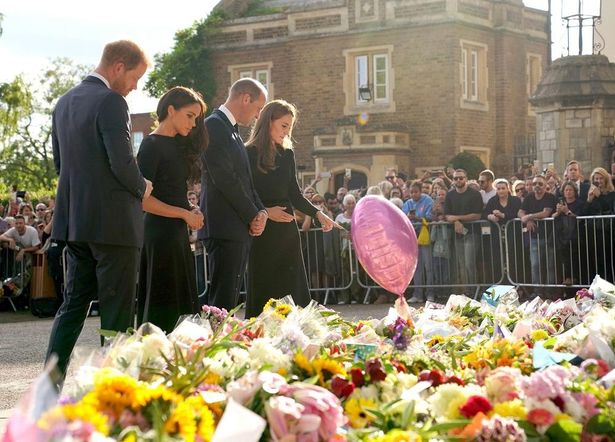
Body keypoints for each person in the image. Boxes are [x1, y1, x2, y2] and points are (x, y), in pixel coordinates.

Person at [45, 40, 152, 384]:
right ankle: (117, 389)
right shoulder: (111, 101)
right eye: (135, 78)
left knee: (73, 307)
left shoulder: (63, 103)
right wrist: (143, 187)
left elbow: (61, 165)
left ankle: (49, 386)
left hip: (76, 224)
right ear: (119, 66)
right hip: (114, 226)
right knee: (118, 311)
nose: (135, 87)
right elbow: (121, 162)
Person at [244, 100, 337, 317]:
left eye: (290, 127)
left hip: (287, 233)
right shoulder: (248, 153)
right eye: (284, 125)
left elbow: (294, 194)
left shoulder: (287, 154)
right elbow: (246, 192)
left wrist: (317, 213)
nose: (287, 132)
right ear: (268, 122)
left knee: (292, 287)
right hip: (262, 229)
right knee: (264, 287)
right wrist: (266, 211)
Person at [136, 87, 207, 333]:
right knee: (163, 298)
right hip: (159, 233)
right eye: (189, 116)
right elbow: (144, 201)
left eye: (196, 118)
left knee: (182, 298)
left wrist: (191, 210)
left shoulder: (178, 146)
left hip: (176, 231)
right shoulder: (151, 145)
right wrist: (184, 214)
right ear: (170, 110)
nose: (194, 123)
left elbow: (173, 193)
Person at [198, 78, 268, 312]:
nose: (258, 115)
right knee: (221, 301)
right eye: (258, 108)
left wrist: (261, 211)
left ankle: (220, 344)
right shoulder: (213, 126)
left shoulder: (233, 131)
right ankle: (211, 346)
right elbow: (225, 178)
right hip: (223, 226)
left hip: (236, 226)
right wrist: (252, 214)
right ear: (245, 98)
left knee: (228, 300)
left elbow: (246, 180)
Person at [444, 169, 483, 289]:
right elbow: (447, 215)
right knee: (462, 264)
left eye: (461, 178)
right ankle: (467, 290)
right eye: (455, 178)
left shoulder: (475, 194)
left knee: (469, 263)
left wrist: (458, 219)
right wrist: (456, 222)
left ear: (466, 179)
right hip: (457, 234)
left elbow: (477, 215)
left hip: (472, 233)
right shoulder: (450, 195)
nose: (458, 180)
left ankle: (474, 290)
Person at [518, 175, 557, 289]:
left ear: (545, 186)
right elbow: (520, 212)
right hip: (534, 237)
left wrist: (529, 216)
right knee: (535, 265)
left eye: (540, 184)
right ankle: (537, 291)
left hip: (550, 237)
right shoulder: (529, 197)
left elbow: (545, 213)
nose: (537, 186)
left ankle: (551, 290)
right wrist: (527, 220)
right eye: (534, 184)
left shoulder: (550, 197)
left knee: (550, 265)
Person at [403, 181, 435, 303]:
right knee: (416, 268)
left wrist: (416, 218)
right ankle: (418, 294)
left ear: (420, 191)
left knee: (428, 266)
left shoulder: (427, 201)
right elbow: (402, 217)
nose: (413, 194)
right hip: (412, 238)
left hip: (425, 237)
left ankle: (430, 293)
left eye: (416, 192)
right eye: (411, 192)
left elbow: (430, 217)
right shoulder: (407, 203)